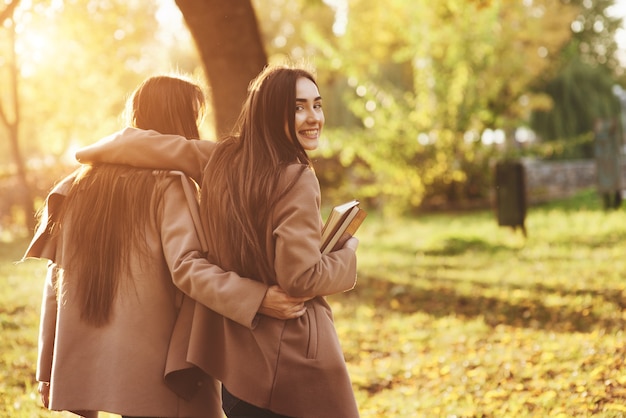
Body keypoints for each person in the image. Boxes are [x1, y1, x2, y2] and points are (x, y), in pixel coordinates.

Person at [75, 65, 360, 418]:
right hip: (295, 363)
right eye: (298, 107)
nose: (313, 117)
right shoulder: (297, 178)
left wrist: (87, 154)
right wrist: (347, 255)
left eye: (317, 105)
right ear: (271, 113)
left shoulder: (219, 159)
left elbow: (135, 142)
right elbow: (299, 279)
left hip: (236, 368)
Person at [22, 74, 308, 418]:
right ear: (178, 120)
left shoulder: (79, 185)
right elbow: (188, 268)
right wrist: (257, 298)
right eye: (194, 117)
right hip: (161, 366)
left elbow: (56, 279)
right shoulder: (169, 185)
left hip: (99, 361)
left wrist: (47, 366)